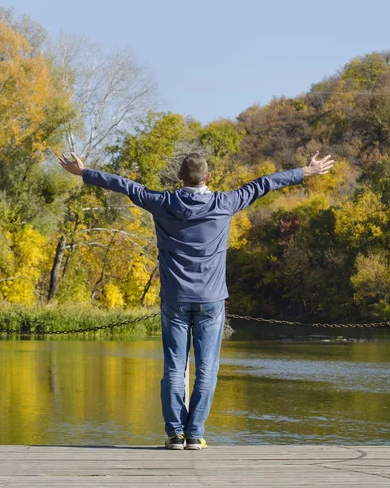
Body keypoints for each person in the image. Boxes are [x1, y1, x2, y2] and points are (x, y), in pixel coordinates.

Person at [59, 150, 334, 450]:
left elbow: (126, 185)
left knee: (175, 368)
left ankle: (176, 434)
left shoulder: (163, 203)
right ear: (208, 178)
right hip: (211, 301)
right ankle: (194, 435)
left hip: (175, 299)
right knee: (207, 369)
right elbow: (264, 184)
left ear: (179, 177)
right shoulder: (224, 203)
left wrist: (83, 173)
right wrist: (306, 172)